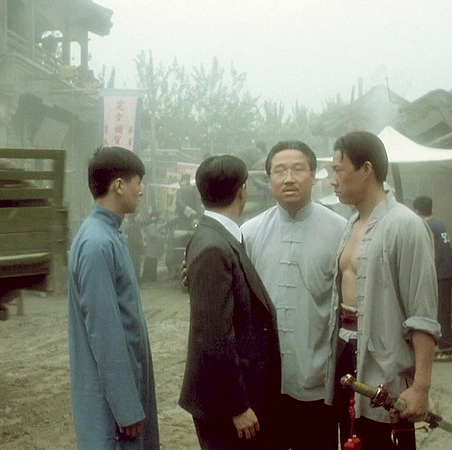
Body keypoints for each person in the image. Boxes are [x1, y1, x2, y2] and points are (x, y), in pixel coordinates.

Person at [328, 131, 439, 450]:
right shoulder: (351, 223)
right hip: (346, 353)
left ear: (366, 169)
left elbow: (422, 312)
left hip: (385, 362)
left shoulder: (406, 225)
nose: (333, 180)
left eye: (338, 170)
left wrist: (421, 386)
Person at [240, 140, 346, 449]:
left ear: (314, 175)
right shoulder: (250, 232)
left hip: (317, 381)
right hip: (264, 385)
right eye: (280, 171)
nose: (289, 178)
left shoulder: (340, 231)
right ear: (268, 178)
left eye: (298, 169)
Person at [180, 154, 281, 450]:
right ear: (242, 191)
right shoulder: (214, 246)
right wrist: (237, 406)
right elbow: (214, 336)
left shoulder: (218, 236)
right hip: (226, 405)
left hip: (234, 396)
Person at [67, 146, 159, 450]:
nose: (141, 191)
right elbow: (105, 334)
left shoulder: (108, 235)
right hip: (111, 409)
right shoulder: (97, 243)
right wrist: (126, 406)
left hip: (122, 394)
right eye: (138, 182)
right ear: (119, 185)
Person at [413, 196, 452, 362]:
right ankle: (442, 345)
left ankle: (447, 349)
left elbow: (431, 253)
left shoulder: (427, 226)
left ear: (417, 210)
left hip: (440, 273)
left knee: (441, 312)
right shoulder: (438, 223)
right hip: (447, 271)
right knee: (441, 310)